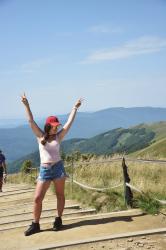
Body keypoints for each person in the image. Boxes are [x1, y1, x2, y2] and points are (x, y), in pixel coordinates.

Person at [21, 93, 82, 236]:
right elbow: (30, 121)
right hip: (45, 170)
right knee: (37, 198)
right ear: (48, 126)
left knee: (60, 195)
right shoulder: (40, 136)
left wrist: (75, 108)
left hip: (58, 168)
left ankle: (58, 219)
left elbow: (69, 123)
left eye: (57, 126)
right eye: (54, 126)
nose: (56, 128)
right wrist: (26, 105)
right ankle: (35, 224)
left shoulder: (59, 136)